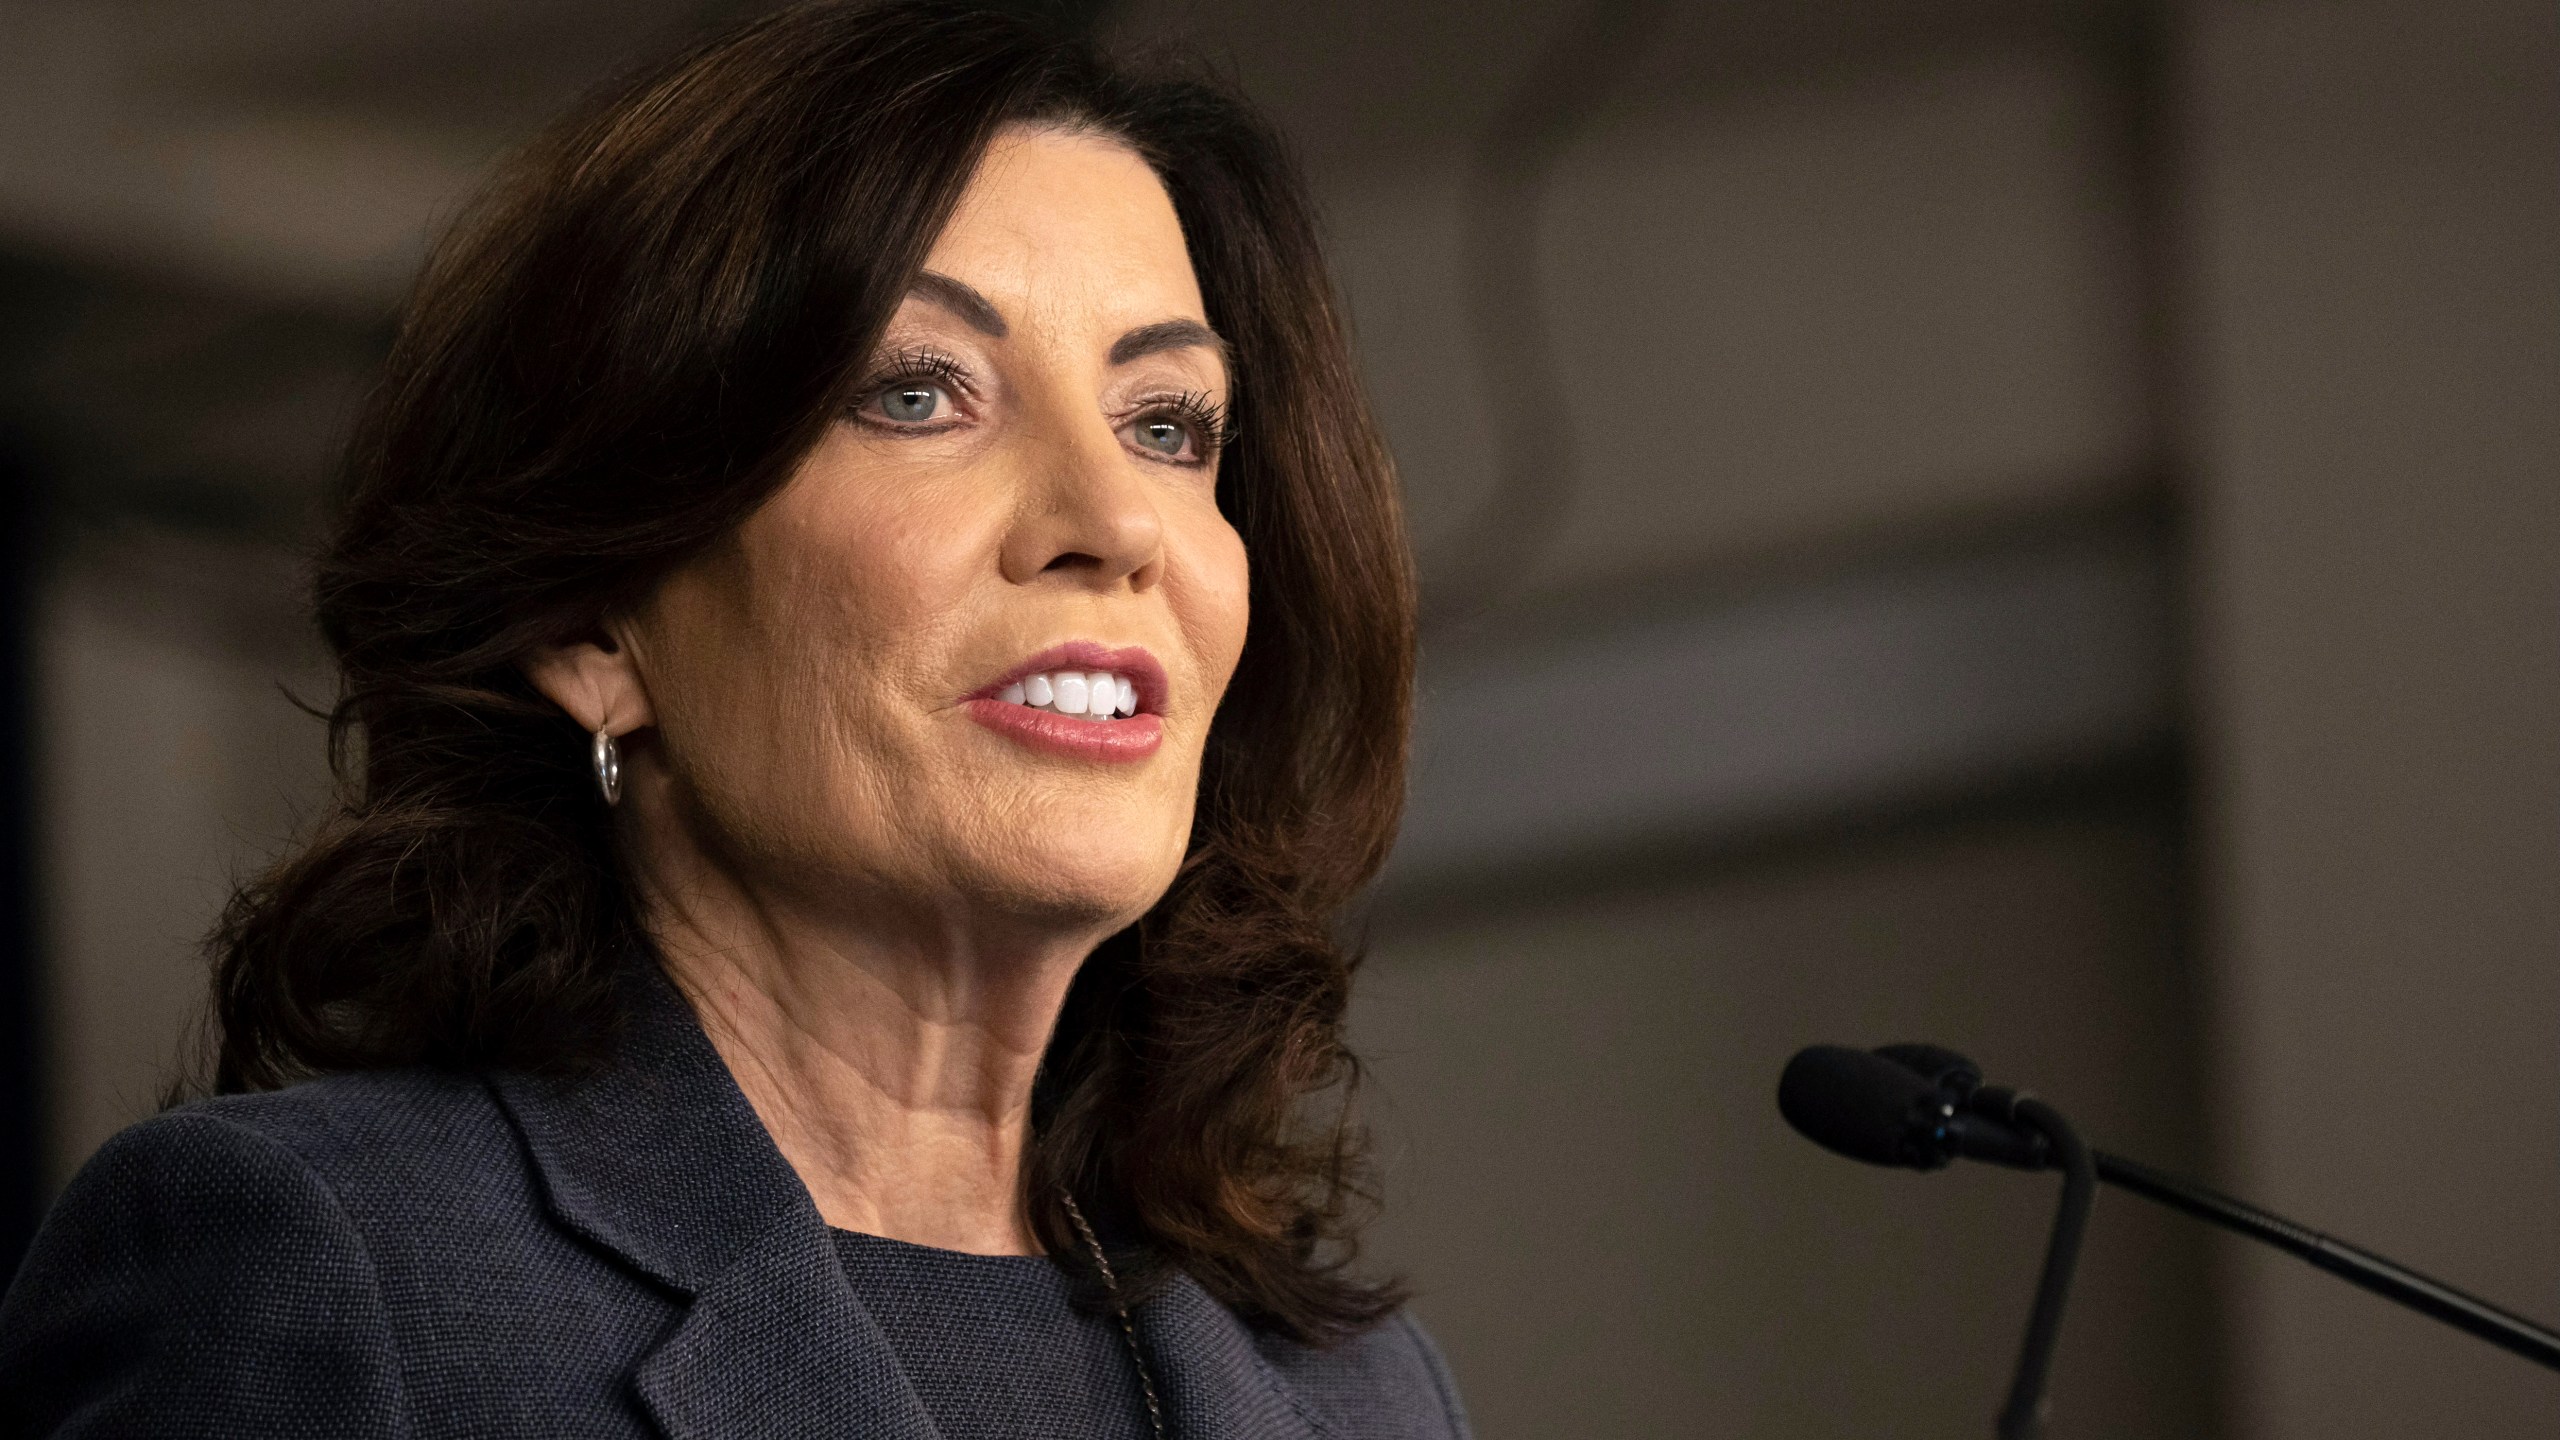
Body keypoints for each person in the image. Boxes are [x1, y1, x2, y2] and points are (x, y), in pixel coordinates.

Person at [0, 4, 1468, 1435]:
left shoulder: (1360, 1389)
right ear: (591, 622)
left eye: (1169, 424)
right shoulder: (328, 1268)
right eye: (916, 392)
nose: (1114, 522)